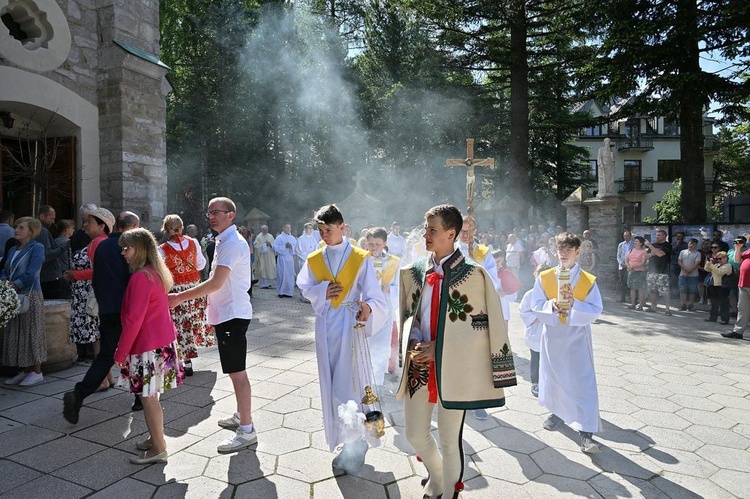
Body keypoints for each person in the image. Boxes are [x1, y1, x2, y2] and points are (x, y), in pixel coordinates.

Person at [396, 204, 516, 498]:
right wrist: (411, 340)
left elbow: (483, 326)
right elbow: (409, 316)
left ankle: (447, 492)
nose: (425, 234)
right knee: (414, 434)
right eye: (425, 228)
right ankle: (438, 477)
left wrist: (440, 346)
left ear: (451, 233)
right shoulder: (413, 273)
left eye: (432, 230)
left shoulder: (475, 276)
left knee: (450, 440)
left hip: (456, 369)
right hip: (420, 367)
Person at [296, 204, 387, 473]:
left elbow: (374, 296)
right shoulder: (314, 259)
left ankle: (357, 445)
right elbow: (305, 288)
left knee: (354, 386)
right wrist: (322, 291)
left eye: (329, 229)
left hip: (351, 326)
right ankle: (344, 440)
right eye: (321, 230)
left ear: (342, 228)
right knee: (332, 384)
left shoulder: (361, 257)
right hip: (325, 327)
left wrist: (368, 308)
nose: (324, 234)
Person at [169, 197, 256, 453]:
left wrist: (179, 297)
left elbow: (215, 283)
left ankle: (247, 429)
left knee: (237, 372)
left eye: (217, 212)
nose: (211, 216)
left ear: (231, 215)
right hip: (226, 313)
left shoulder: (231, 243)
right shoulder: (224, 240)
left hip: (233, 314)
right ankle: (242, 415)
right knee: (233, 370)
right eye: (209, 212)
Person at [63, 211, 141, 424]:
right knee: (137, 352)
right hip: (130, 309)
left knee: (106, 355)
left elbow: (96, 279)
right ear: (135, 225)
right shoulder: (134, 245)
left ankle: (79, 394)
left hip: (107, 309)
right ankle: (140, 398)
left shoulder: (103, 245)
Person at [115, 228, 184, 464]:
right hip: (160, 343)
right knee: (152, 395)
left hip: (147, 346)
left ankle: (159, 448)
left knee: (148, 397)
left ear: (141, 249)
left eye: (127, 248)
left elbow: (134, 320)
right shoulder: (155, 272)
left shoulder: (140, 277)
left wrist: (121, 351)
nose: (123, 253)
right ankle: (155, 438)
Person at [531, 232, 603, 454]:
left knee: (582, 381)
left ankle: (587, 433)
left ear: (577, 252)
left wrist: (576, 305)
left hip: (576, 337)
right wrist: (550, 304)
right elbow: (535, 304)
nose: (563, 254)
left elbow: (596, 309)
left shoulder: (587, 281)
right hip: (553, 335)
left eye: (568, 250)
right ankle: (557, 414)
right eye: (560, 250)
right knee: (554, 378)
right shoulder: (545, 277)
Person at [158, 214, 212, 377]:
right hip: (194, 289)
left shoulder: (161, 249)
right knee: (191, 323)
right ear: (181, 227)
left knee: (178, 326)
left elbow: (161, 272)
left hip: (176, 291)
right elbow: (201, 264)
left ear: (166, 229)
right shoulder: (194, 242)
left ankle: (179, 361)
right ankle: (188, 362)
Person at [64, 207, 114, 369]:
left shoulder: (99, 243)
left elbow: (98, 271)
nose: (84, 225)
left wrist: (75, 274)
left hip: (91, 293)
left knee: (98, 337)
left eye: (89, 222)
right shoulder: (98, 242)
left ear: (101, 226)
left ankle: (103, 377)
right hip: (91, 292)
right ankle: (105, 377)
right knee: (98, 338)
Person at [2, 217, 46, 387]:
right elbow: (6, 269)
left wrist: (15, 283)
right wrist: (5, 282)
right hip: (13, 295)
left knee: (31, 331)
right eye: (16, 227)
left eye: (21, 227)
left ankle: (37, 371)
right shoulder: (13, 249)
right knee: (17, 332)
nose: (17, 230)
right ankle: (25, 370)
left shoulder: (37, 248)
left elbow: (33, 272)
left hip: (30, 294)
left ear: (31, 231)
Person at [366, 227, 400, 381]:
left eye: (377, 244)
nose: (374, 248)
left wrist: (389, 288)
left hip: (385, 307)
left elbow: (399, 286)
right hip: (366, 307)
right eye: (371, 244)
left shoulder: (393, 262)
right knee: (365, 346)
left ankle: (377, 384)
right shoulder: (362, 260)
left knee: (381, 347)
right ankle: (363, 382)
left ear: (385, 243)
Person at [518, 263, 549, 398]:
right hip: (536, 331)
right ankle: (535, 382)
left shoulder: (553, 293)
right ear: (535, 276)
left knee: (549, 360)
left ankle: (548, 383)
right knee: (535, 359)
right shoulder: (529, 294)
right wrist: (535, 318)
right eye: (539, 276)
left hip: (549, 332)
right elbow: (522, 311)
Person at [36, 204, 68, 299]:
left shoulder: (42, 230)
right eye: (51, 218)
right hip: (49, 277)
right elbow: (47, 255)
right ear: (42, 216)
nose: (53, 222)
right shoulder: (42, 231)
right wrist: (64, 247)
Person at [644, 230, 672, 315]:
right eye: (656, 235)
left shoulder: (667, 245)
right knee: (652, 290)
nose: (657, 237)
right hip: (652, 271)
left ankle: (667, 309)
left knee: (665, 291)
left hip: (662, 272)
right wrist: (654, 252)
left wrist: (650, 246)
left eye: (659, 235)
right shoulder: (654, 245)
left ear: (664, 236)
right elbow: (646, 256)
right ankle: (653, 307)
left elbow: (660, 254)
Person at [727, 238, 750, 339]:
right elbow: (737, 260)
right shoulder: (748, 250)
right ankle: (738, 332)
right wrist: (738, 247)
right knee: (742, 309)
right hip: (743, 284)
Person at [704, 251, 733, 325]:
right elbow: (707, 269)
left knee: (723, 303)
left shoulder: (728, 265)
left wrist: (712, 266)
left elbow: (720, 272)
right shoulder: (717, 264)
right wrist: (709, 262)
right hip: (714, 286)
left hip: (722, 287)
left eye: (720, 258)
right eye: (717, 258)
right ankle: (713, 317)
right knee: (714, 303)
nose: (718, 260)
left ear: (725, 258)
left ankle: (725, 319)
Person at [273, 223, 297, 298]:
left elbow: (296, 248)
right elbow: (275, 247)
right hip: (282, 259)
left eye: (289, 228)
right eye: (286, 228)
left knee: (289, 275)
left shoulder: (292, 238)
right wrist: (284, 246)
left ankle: (289, 292)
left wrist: (291, 246)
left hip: (289, 259)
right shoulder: (279, 238)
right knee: (282, 275)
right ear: (283, 228)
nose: (288, 229)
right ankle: (281, 291)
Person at [678, 238, 701, 311]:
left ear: (696, 246)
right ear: (688, 243)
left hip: (693, 275)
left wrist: (688, 272)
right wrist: (685, 269)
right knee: (682, 290)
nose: (691, 245)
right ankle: (683, 305)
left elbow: (696, 264)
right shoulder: (682, 252)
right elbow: (679, 262)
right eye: (691, 243)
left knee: (692, 291)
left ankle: (691, 305)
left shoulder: (697, 253)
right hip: (682, 274)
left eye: (694, 244)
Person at [626, 236, 648, 310]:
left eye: (637, 241)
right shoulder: (631, 250)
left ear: (641, 243)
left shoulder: (644, 251)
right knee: (632, 288)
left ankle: (640, 305)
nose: (635, 242)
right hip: (631, 271)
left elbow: (643, 262)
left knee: (640, 288)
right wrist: (629, 267)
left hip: (640, 272)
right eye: (635, 241)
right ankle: (632, 304)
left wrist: (634, 266)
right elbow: (626, 260)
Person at [253, 225, 276, 289]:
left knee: (270, 268)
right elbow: (256, 246)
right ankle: (263, 284)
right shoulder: (259, 237)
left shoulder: (270, 236)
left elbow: (274, 245)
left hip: (270, 255)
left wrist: (270, 244)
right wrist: (264, 245)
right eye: (264, 229)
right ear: (261, 230)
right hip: (262, 257)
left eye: (266, 229)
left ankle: (269, 283)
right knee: (263, 269)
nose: (266, 231)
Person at [616, 230, 634, 302]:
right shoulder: (621, 245)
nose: (626, 237)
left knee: (631, 281)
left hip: (631, 265)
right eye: (624, 236)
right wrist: (621, 263)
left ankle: (632, 297)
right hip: (622, 266)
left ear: (630, 236)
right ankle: (622, 297)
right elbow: (618, 255)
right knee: (622, 281)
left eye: (627, 235)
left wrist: (629, 264)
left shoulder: (634, 244)